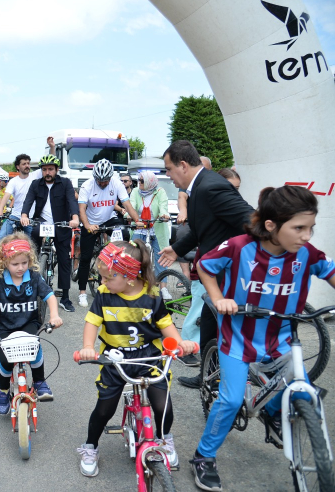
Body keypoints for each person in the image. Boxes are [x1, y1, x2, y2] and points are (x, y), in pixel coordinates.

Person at [189, 185, 335, 491]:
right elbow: (205, 267)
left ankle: (277, 414)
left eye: (310, 228)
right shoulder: (240, 247)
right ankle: (203, 457)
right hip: (238, 338)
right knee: (229, 400)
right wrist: (218, 298)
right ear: (271, 226)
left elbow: (330, 271)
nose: (306, 236)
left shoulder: (306, 254)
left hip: (282, 339)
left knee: (304, 392)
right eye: (299, 228)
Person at [76, 240, 195, 477]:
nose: (103, 282)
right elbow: (92, 322)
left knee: (163, 406)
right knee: (104, 409)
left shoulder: (152, 295)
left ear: (130, 276)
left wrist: (180, 343)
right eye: (102, 277)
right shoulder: (104, 295)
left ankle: (164, 438)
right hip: (115, 358)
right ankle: (90, 446)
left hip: (149, 357)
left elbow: (166, 325)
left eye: (108, 278)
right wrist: (88, 347)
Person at [157, 141, 253, 389]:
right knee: (208, 324)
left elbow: (250, 219)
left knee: (227, 329)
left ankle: (229, 380)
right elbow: (201, 230)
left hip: (227, 272)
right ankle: (208, 377)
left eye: (168, 169)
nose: (167, 175)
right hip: (214, 271)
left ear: (183, 165)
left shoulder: (211, 187)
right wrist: (176, 249)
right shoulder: (198, 186)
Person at [0, 234, 63, 411]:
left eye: (24, 263)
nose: (21, 268)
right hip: (6, 327)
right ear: (4, 261)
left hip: (29, 323)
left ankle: (39, 382)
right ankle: (3, 391)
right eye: (15, 264)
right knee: (6, 360)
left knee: (35, 348)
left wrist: (54, 315)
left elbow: (49, 296)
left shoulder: (34, 277)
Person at [179, 169, 243, 366]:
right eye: (232, 188)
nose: (235, 193)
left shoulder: (228, 203)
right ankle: (185, 348)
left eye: (238, 189)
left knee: (209, 317)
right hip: (207, 269)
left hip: (223, 270)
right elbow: (197, 233)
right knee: (199, 308)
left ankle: (208, 370)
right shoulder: (211, 199)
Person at [77, 159, 141, 308]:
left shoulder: (116, 184)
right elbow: (81, 210)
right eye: (99, 181)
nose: (103, 183)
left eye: (105, 181)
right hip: (91, 221)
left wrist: (137, 221)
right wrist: (87, 225)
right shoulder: (87, 186)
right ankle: (82, 292)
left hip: (109, 219)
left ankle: (116, 270)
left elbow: (127, 204)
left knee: (124, 235)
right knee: (85, 257)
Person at [20, 155, 80, 312]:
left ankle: (65, 297)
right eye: (44, 169)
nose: (47, 172)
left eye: (50, 169)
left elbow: (72, 202)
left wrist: (74, 217)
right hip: (41, 222)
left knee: (64, 260)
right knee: (31, 255)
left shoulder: (65, 183)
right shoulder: (35, 184)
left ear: (57, 170)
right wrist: (25, 215)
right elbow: (28, 201)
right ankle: (30, 289)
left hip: (61, 223)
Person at [0, 136, 56, 240]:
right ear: (18, 167)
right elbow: (7, 195)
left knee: (33, 243)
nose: (27, 166)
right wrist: (0, 210)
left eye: (28, 163)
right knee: (0, 238)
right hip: (15, 216)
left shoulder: (35, 175)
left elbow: (50, 162)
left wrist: (52, 147)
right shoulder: (13, 181)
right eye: (24, 164)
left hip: (31, 218)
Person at [129, 170, 172, 299]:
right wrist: (129, 216)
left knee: (161, 258)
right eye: (138, 180)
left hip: (156, 228)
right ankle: (134, 285)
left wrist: (164, 215)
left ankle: (163, 288)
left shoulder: (160, 192)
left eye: (142, 181)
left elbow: (163, 206)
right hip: (140, 228)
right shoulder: (136, 192)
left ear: (149, 182)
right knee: (133, 256)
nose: (139, 183)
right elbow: (132, 206)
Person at [176, 157, 213, 280]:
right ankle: (185, 274)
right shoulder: (188, 183)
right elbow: (182, 197)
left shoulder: (213, 183)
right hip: (192, 222)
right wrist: (183, 212)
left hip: (208, 223)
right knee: (181, 233)